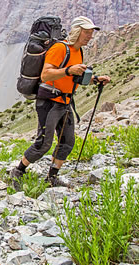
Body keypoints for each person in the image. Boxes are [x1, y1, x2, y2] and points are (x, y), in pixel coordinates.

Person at [10, 16, 111, 189]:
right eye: (86, 32)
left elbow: (74, 77)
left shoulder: (78, 51)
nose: (89, 36)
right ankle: (18, 171)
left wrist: (95, 79)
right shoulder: (59, 48)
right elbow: (46, 75)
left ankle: (52, 177)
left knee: (67, 141)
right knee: (43, 144)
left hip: (65, 102)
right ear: (77, 31)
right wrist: (68, 70)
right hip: (49, 102)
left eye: (91, 33)